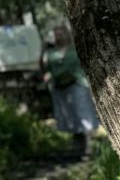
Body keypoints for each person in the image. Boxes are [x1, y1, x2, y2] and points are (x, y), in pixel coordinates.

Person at [41, 26, 99, 155]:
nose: (59, 36)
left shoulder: (75, 49)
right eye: (56, 34)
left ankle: (90, 147)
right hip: (60, 88)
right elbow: (47, 69)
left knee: (83, 114)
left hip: (76, 84)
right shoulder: (51, 53)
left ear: (67, 34)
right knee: (70, 116)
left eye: (61, 33)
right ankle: (77, 149)